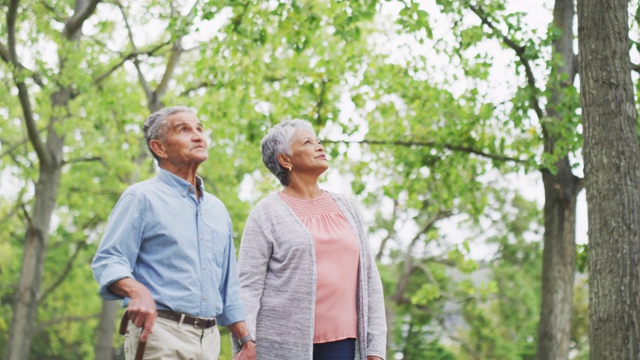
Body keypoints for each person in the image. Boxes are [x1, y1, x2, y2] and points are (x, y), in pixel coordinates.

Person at [91, 106, 256, 360]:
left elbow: (228, 285)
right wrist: (137, 291)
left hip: (210, 340)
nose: (198, 136)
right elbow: (109, 260)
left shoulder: (217, 209)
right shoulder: (141, 197)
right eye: (184, 130)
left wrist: (245, 339)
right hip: (160, 334)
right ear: (160, 148)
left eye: (199, 129)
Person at [233, 119, 387, 360]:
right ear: (285, 159)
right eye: (307, 142)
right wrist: (245, 341)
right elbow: (248, 286)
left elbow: (370, 280)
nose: (319, 146)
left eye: (318, 141)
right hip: (282, 347)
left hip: (345, 344)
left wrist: (376, 348)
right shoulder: (266, 213)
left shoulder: (346, 207)